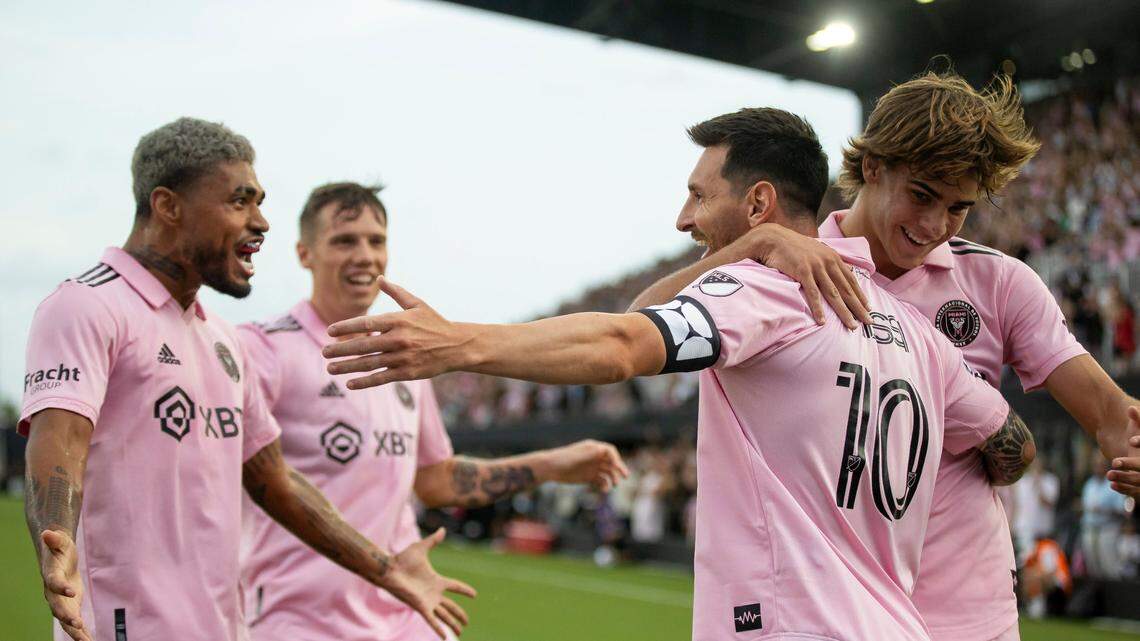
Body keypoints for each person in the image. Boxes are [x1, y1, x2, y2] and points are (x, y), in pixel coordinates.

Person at [321, 108, 1034, 641]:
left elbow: (625, 342)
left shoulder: (768, 291)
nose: (683, 216)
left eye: (699, 194)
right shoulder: (919, 335)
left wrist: (459, 343)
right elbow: (1013, 444)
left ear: (756, 202)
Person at [627, 72, 1140, 641]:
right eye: (922, 195)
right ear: (873, 166)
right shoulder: (783, 272)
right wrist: (755, 244)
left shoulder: (999, 282)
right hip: (833, 615)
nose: (934, 226)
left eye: (958, 209)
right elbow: (637, 329)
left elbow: (1115, 417)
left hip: (971, 616)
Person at [19, 119, 473, 641]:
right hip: (125, 627)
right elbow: (60, 444)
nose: (261, 222)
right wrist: (56, 547)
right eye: (239, 202)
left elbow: (276, 483)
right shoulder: (89, 304)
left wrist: (387, 570)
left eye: (259, 202)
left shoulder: (223, 342)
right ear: (168, 206)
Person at [238, 181, 628, 640]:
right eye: (345, 240)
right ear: (305, 253)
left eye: (376, 240)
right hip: (297, 621)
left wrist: (551, 465)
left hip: (409, 611)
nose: (364, 255)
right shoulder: (261, 348)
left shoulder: (405, 357)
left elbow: (436, 480)